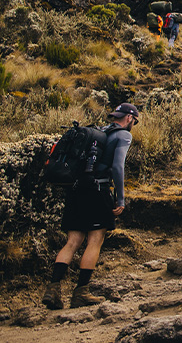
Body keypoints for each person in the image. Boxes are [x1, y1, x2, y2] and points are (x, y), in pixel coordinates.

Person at [42, 103, 139, 310]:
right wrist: (120, 198)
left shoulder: (98, 132)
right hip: (97, 190)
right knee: (95, 239)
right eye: (135, 121)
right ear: (129, 118)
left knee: (73, 240)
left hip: (76, 189)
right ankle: (81, 292)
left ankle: (53, 288)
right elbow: (117, 166)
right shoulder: (123, 136)